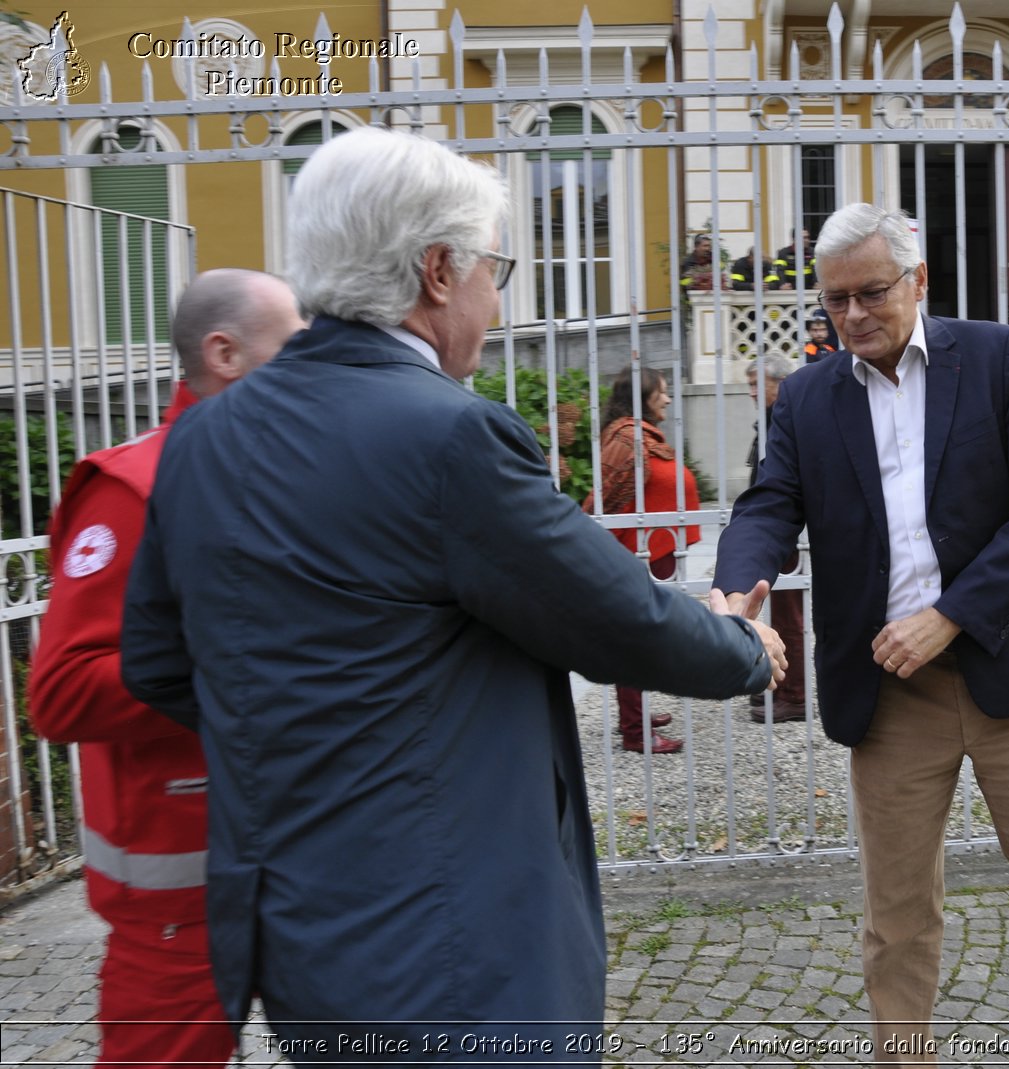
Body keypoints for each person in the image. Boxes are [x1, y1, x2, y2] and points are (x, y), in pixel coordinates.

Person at [119, 127, 784, 1062]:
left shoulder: (202, 438)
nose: (496, 296)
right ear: (438, 270)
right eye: (493, 268)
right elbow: (619, 618)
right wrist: (741, 643)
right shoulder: (450, 438)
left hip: (297, 928)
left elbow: (155, 664)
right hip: (453, 937)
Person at [713, 203, 1009, 1067]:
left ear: (918, 281)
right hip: (889, 694)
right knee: (897, 910)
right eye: (833, 301)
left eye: (871, 293)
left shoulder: (992, 357)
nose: (852, 317)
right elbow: (767, 503)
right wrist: (737, 589)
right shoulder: (808, 395)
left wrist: (951, 614)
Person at [29, 269, 304, 1068]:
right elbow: (60, 693)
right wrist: (232, 664)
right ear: (225, 353)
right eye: (292, 347)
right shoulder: (130, 488)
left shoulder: (292, 483)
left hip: (305, 864)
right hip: (181, 885)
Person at [590, 367, 702, 753]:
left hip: (650, 550)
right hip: (634, 555)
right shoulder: (627, 438)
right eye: (662, 392)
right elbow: (603, 499)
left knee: (643, 636)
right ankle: (636, 733)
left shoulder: (641, 436)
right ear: (643, 395)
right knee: (634, 638)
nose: (668, 400)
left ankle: (634, 715)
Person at [744, 354, 807, 723]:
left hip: (787, 532)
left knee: (789, 616)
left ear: (780, 383)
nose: (752, 392)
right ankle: (781, 686)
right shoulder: (771, 419)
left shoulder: (786, 418)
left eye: (757, 384)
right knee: (777, 613)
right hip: (769, 530)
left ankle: (794, 695)